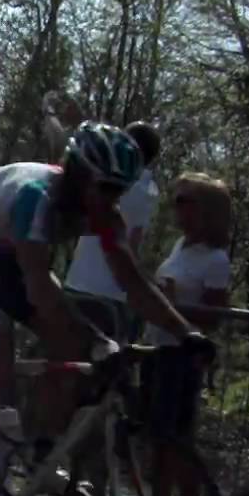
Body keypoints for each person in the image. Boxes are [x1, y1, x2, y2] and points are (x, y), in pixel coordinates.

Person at [0, 122, 210, 496]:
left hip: (7, 255)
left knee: (72, 346)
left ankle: (39, 446)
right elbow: (38, 287)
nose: (113, 200)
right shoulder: (36, 198)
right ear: (78, 176)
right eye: (106, 188)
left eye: (119, 190)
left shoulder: (104, 213)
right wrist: (96, 341)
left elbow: (133, 282)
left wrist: (188, 334)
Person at [141, 172, 230, 496]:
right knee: (161, 437)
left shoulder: (215, 260)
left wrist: (173, 304)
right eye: (176, 199)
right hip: (158, 347)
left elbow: (215, 318)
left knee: (172, 440)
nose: (176, 208)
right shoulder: (180, 247)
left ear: (206, 210)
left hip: (181, 356)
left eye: (184, 201)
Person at [64, 121, 162, 339]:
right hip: (115, 292)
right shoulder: (149, 191)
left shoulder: (112, 177)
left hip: (83, 283)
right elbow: (133, 242)